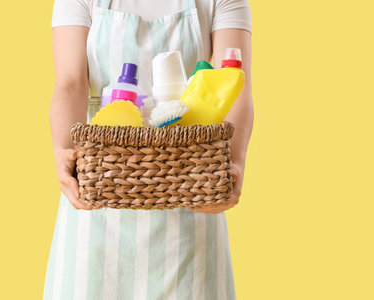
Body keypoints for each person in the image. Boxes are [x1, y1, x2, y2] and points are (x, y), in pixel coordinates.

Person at [43, 0, 253, 299]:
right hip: (96, 202)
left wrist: (234, 162)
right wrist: (64, 147)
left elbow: (234, 85)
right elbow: (71, 83)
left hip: (191, 202)